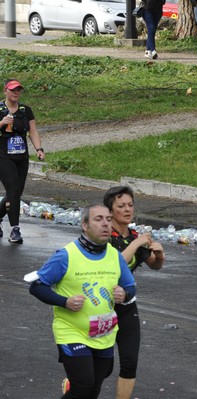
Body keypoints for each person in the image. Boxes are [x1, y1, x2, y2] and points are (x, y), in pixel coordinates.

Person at [29, 205, 136, 399]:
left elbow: (130, 287)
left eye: (108, 219)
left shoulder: (115, 256)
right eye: (98, 219)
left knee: (93, 388)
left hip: (103, 332)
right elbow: (37, 286)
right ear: (85, 225)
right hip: (72, 331)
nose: (105, 224)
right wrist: (65, 301)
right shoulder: (66, 256)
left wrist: (125, 294)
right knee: (83, 386)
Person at [103, 186, 165, 399]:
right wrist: (137, 242)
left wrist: (160, 254)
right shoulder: (104, 236)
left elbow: (154, 265)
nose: (128, 210)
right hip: (102, 306)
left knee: (130, 362)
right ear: (110, 211)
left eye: (130, 205)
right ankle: (77, 387)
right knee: (104, 366)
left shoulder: (134, 235)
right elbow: (115, 264)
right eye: (121, 206)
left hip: (127, 305)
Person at [0, 79, 45, 244]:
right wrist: (2, 123)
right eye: (12, 90)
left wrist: (39, 149)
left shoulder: (26, 110)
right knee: (12, 189)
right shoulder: (0, 109)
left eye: (18, 90)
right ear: (5, 91)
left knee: (16, 193)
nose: (15, 93)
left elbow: (33, 131)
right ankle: (14, 230)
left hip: (21, 157)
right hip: (3, 156)